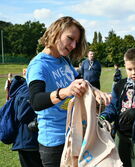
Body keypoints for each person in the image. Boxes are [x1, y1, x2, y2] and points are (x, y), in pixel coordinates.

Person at [26, 16, 111, 167]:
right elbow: (36, 101)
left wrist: (96, 91)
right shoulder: (38, 65)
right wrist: (65, 92)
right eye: (70, 38)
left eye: (76, 42)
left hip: (75, 133)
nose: (72, 45)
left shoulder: (63, 60)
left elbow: (80, 80)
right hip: (54, 141)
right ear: (56, 32)